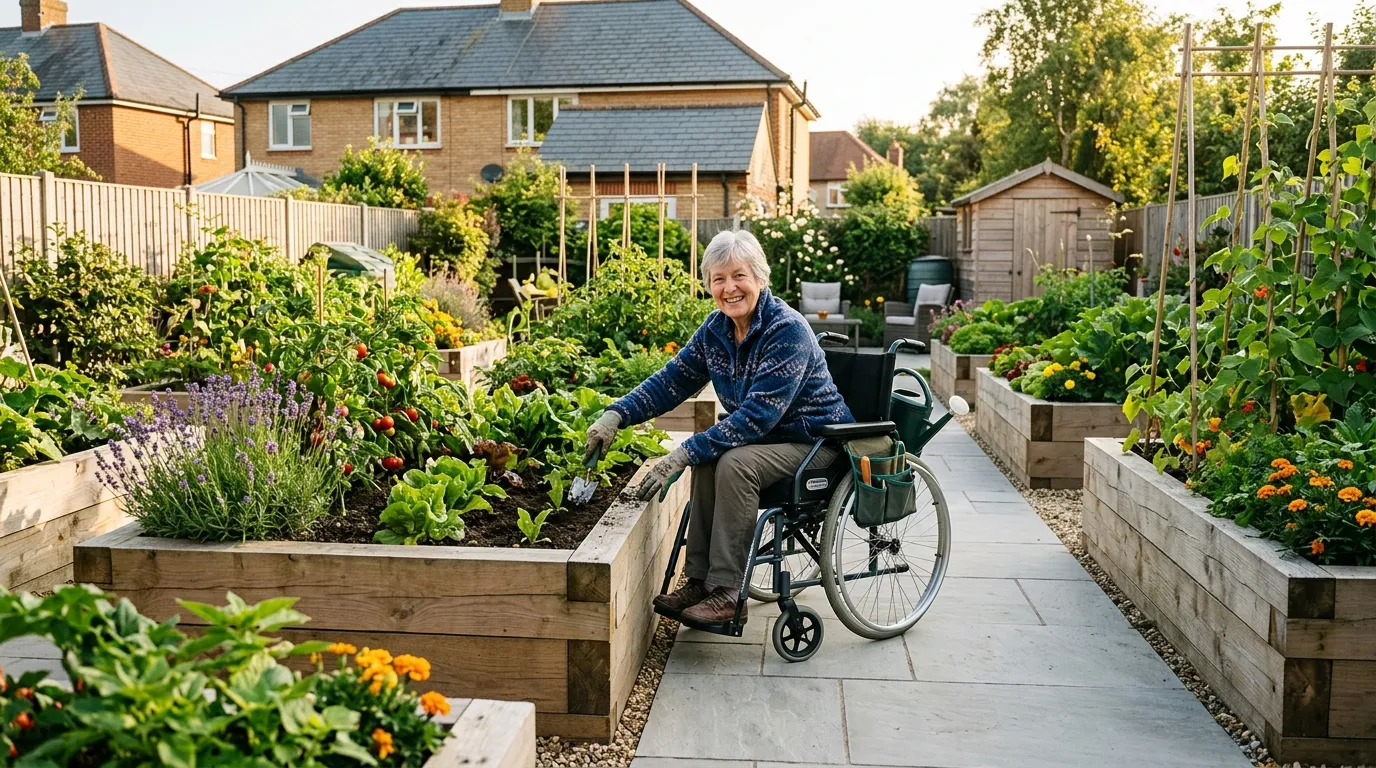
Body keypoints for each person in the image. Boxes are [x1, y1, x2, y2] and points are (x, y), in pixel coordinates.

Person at [582, 230, 854, 625]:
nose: (730, 288)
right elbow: (671, 381)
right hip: (766, 441)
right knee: (709, 459)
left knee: (733, 462)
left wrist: (680, 453)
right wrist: (615, 415)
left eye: (739, 276)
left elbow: (758, 416)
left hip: (815, 442)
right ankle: (701, 582)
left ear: (760, 278)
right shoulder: (716, 330)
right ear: (709, 285)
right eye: (718, 279)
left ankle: (729, 591)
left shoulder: (786, 330)